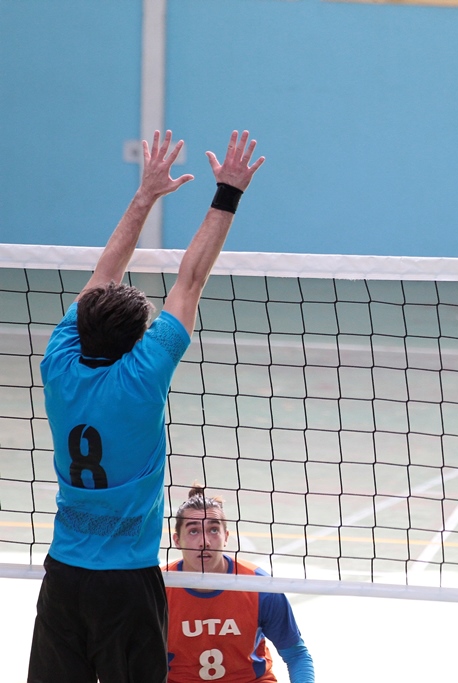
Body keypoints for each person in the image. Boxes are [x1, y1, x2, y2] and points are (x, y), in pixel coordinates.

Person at [29, 129, 264, 683]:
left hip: (64, 578)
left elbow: (103, 276)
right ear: (136, 342)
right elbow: (191, 278)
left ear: (82, 324)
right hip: (127, 585)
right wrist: (228, 192)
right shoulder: (141, 378)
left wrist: (145, 195)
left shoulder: (57, 362)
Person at [165, 486, 315, 683]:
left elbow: (296, 655)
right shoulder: (159, 589)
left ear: (226, 537)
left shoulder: (258, 586)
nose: (205, 542)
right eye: (193, 531)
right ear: (177, 540)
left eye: (213, 530)